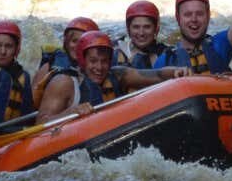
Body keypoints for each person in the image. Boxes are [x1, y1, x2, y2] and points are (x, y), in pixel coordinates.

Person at [36, 31, 190, 124]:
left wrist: (176, 72)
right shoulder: (65, 82)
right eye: (93, 61)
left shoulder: (118, 74)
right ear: (83, 60)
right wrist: (71, 113)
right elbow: (41, 122)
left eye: (104, 61)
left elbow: (156, 75)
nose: (99, 67)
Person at [31, 16, 99, 107]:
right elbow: (31, 104)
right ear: (66, 42)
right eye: (75, 41)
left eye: (84, 42)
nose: (78, 46)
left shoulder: (100, 68)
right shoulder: (49, 67)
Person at [112, 0, 168, 68]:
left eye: (147, 27)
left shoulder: (167, 54)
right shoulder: (115, 52)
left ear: (156, 29)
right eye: (136, 27)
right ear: (128, 29)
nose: (141, 33)